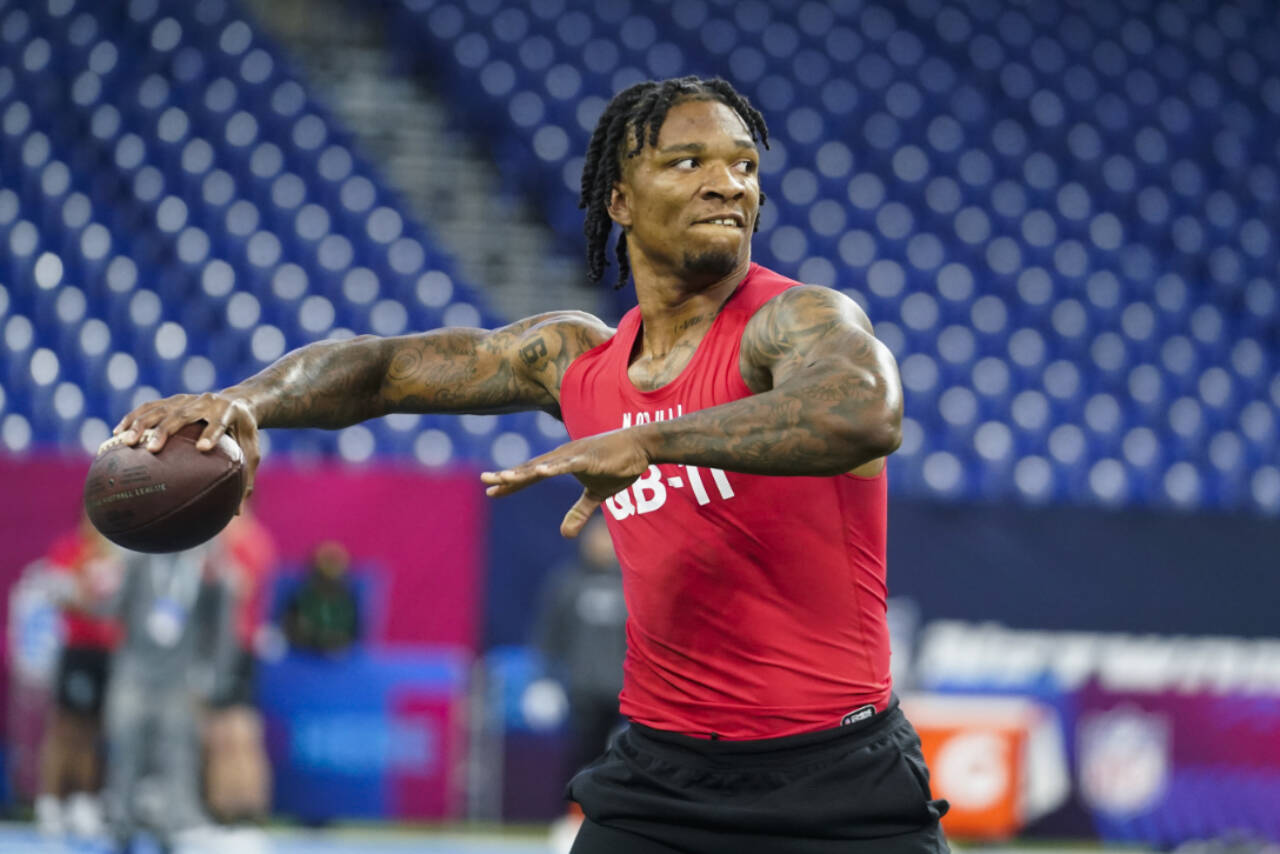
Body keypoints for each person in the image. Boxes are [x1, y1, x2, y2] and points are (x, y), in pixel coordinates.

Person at [113, 76, 949, 853]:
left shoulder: (794, 320)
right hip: (662, 779)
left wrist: (653, 441)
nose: (728, 182)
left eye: (744, 165)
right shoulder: (577, 362)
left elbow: (865, 411)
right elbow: (381, 369)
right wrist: (249, 400)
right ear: (619, 199)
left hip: (839, 778)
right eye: (687, 161)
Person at [102, 543, 233, 852]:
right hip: (134, 671)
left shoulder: (206, 562)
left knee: (176, 752)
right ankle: (121, 823)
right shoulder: (136, 559)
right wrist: (89, 593)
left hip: (179, 675)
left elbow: (221, 622)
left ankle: (174, 824)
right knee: (125, 746)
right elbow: (112, 607)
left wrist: (213, 671)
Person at [35, 513, 124, 840]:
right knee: (66, 727)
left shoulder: (120, 552)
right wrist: (90, 604)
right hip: (78, 650)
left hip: (110, 652)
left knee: (95, 728)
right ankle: (50, 800)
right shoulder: (69, 549)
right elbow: (58, 594)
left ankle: (84, 800)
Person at [533, 514, 627, 783]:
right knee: (583, 758)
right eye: (596, 535)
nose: (601, 543)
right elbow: (549, 635)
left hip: (629, 693)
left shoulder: (633, 583)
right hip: (583, 693)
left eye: (607, 536)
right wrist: (545, 680)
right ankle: (574, 815)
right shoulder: (567, 582)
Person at [201, 507, 277, 826]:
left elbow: (240, 587)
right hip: (229, 644)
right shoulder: (240, 538)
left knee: (232, 730)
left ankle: (235, 809)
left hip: (232, 645)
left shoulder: (246, 540)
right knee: (233, 728)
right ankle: (239, 809)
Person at [280, 540, 361, 655]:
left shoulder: (348, 599)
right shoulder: (302, 595)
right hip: (302, 652)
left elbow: (352, 634)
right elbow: (290, 628)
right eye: (326, 563)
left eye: (335, 564)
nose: (330, 571)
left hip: (336, 656)